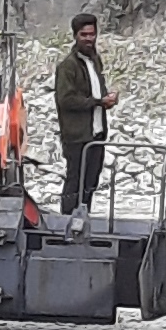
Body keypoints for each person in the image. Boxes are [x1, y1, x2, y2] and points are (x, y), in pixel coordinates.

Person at [51, 13, 113, 220]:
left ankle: (83, 218)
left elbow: (95, 91)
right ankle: (67, 221)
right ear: (75, 36)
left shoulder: (95, 61)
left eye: (92, 34)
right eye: (84, 34)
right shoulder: (68, 66)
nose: (89, 39)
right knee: (75, 181)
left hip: (96, 132)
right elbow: (66, 100)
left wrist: (106, 100)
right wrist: (97, 102)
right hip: (77, 135)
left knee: (91, 181)